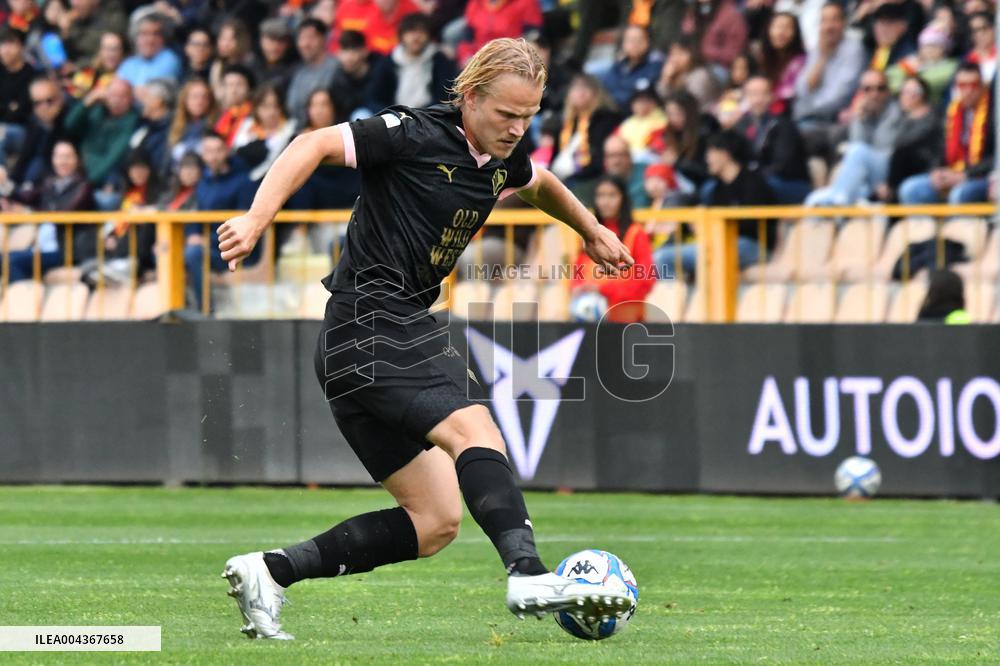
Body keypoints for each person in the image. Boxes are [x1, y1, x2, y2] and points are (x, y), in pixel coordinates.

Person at [216, 37, 634, 640]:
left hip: (358, 341)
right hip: (372, 322)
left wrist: (592, 230)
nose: (517, 129)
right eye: (506, 114)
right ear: (469, 97)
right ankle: (528, 573)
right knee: (476, 429)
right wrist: (257, 219)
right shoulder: (411, 133)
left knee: (435, 520)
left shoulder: (500, 156)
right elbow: (311, 143)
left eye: (528, 116)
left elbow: (539, 183)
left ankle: (270, 572)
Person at [654, 129, 777, 278]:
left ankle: (674, 301)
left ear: (724, 154)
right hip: (723, 243)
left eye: (710, 153)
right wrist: (692, 224)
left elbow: (753, 223)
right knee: (659, 256)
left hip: (753, 245)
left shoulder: (753, 182)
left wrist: (709, 227)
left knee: (663, 258)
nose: (707, 159)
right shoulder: (717, 188)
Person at [898, 63, 993, 205]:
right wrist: (936, 171)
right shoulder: (950, 112)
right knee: (910, 188)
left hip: (981, 176)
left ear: (981, 86)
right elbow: (939, 149)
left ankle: (958, 227)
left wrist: (965, 175)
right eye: (962, 85)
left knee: (959, 194)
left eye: (973, 85)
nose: (967, 91)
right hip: (951, 172)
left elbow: (995, 157)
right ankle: (926, 227)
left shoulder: (993, 113)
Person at [0, 140, 95, 282]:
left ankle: (23, 300)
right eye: (59, 156)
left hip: (63, 249)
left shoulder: (83, 187)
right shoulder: (49, 183)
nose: (63, 161)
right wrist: (4, 183)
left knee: (13, 261)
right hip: (40, 247)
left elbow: (66, 213)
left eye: (67, 156)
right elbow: (25, 196)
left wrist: (30, 213)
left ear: (76, 159)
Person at [186, 130, 258, 310]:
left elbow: (245, 223)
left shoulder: (243, 182)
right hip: (210, 246)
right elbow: (196, 215)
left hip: (234, 249)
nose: (213, 157)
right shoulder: (203, 182)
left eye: (217, 150)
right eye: (208, 151)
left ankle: (205, 311)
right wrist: (193, 234)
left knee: (193, 254)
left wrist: (207, 240)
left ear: (226, 151)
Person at [571, 175, 655, 323]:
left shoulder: (636, 233)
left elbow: (645, 281)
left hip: (627, 321)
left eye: (612, 195)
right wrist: (578, 288)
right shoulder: (589, 236)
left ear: (623, 199)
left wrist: (603, 290)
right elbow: (578, 271)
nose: (605, 202)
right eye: (600, 196)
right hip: (590, 317)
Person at [793, 1, 865, 158]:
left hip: (831, 121)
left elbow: (839, 97)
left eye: (834, 20)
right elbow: (801, 89)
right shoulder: (817, 49)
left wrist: (806, 108)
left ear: (843, 23)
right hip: (805, 119)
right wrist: (822, 58)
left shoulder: (853, 49)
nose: (829, 26)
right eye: (824, 20)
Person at [733, 76, 810, 204]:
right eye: (752, 94)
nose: (758, 100)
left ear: (771, 96)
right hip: (755, 181)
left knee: (755, 186)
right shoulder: (741, 125)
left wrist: (751, 177)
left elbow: (782, 165)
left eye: (762, 94)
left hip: (788, 183)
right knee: (713, 188)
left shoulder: (784, 125)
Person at [365, 12, 457, 112]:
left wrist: (422, 113)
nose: (416, 37)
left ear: (429, 35)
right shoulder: (389, 62)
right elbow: (374, 98)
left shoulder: (439, 60)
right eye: (411, 31)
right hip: (393, 116)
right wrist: (393, 113)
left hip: (429, 116)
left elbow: (446, 95)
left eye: (421, 31)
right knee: (361, 114)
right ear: (402, 35)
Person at [63, 77, 139, 190]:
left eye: (123, 97)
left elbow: (113, 158)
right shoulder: (98, 109)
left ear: (131, 99)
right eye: (113, 95)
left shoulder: (131, 121)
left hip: (101, 178)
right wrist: (87, 103)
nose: (117, 101)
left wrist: (87, 181)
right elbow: (69, 125)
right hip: (79, 170)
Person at [1, 76, 71, 198]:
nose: (44, 107)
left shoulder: (70, 115)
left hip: (58, 167)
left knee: (37, 165)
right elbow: (26, 153)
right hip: (38, 163)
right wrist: (10, 180)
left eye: (49, 100)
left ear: (59, 97)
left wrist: (50, 124)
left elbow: (49, 155)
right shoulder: (35, 119)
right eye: (37, 103)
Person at [232, 83, 298, 182]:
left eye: (276, 106)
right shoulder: (247, 126)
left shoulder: (290, 130)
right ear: (256, 108)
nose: (271, 112)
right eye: (265, 106)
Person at [886, 21, 958, 105]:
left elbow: (925, 84)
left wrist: (910, 70)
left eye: (935, 45)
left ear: (945, 49)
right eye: (926, 45)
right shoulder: (912, 60)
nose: (929, 50)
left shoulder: (951, 66)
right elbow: (888, 76)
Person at [286, 18, 340, 126]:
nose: (305, 44)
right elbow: (291, 107)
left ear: (324, 38)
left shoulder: (337, 67)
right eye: (301, 38)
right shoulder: (299, 72)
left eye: (311, 37)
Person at [601, 24, 664, 110]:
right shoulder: (619, 64)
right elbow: (606, 86)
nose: (635, 44)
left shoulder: (655, 64)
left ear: (648, 42)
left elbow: (645, 93)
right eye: (630, 40)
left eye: (639, 40)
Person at [755, 12, 806, 116]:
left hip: (787, 112)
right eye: (777, 27)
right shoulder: (762, 60)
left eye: (787, 28)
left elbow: (790, 92)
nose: (781, 32)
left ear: (796, 33)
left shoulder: (800, 61)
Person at [116, 14, 182, 87]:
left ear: (163, 38)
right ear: (136, 37)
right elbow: (115, 90)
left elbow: (152, 94)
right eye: (144, 34)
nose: (150, 40)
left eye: (156, 34)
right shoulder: (129, 63)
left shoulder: (169, 60)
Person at [328, 30, 380, 121]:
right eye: (344, 50)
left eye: (353, 50)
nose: (348, 57)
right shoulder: (338, 79)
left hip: (381, 122)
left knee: (361, 114)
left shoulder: (380, 71)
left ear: (365, 51)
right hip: (350, 127)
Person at [0, 27, 34, 166]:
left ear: (21, 47)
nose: (5, 50)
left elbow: (21, 112)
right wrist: (8, 108)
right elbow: (11, 110)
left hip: (22, 130)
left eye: (10, 44)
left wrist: (9, 110)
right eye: (2, 44)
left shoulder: (31, 75)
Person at [168, 77, 217, 169]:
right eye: (194, 97)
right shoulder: (172, 125)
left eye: (205, 97)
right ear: (185, 100)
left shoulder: (217, 126)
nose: (200, 102)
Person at [67, 31, 126, 99]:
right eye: (107, 49)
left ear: (123, 52)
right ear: (100, 51)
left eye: (115, 49)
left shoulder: (126, 76)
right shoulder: (87, 72)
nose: (111, 54)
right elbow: (73, 93)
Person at [213, 64, 254, 147]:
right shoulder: (217, 115)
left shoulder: (254, 114)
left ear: (249, 88)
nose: (233, 90)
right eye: (229, 85)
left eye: (239, 85)